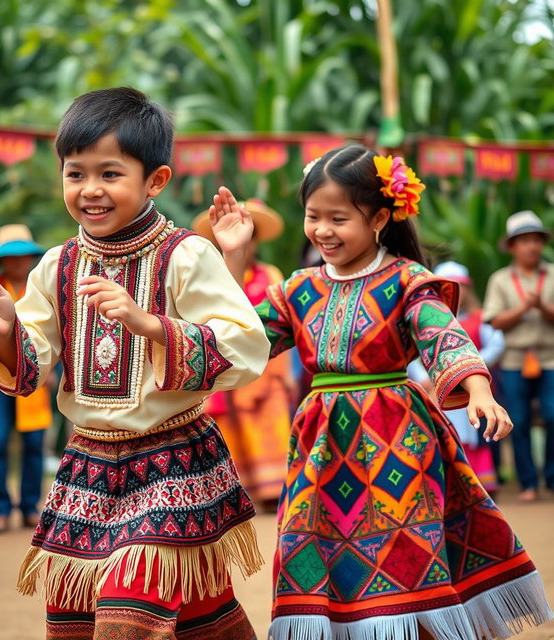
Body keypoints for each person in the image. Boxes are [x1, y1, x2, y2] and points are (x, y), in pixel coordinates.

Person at [209, 146, 553, 640]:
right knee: (311, 544)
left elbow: (442, 334)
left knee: (407, 548)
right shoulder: (297, 289)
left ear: (379, 218)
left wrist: (479, 390)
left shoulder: (407, 279)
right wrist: (234, 255)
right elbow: (243, 340)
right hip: (321, 446)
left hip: (398, 439)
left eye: (338, 218)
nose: (322, 230)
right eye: (313, 216)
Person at [0, 87, 269, 640]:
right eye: (75, 174)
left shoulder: (186, 254)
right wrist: (6, 331)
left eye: (109, 173)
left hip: (171, 461)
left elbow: (245, 344)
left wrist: (151, 325)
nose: (90, 190)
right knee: (86, 624)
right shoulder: (57, 265)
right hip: (86, 469)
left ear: (156, 181)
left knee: (128, 620)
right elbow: (29, 363)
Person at [193, 201, 294, 509]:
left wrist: (284, 373)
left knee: (265, 425)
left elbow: (282, 322)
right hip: (228, 362)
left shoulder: (270, 275)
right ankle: (234, 491)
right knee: (228, 428)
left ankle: (271, 491)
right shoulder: (209, 276)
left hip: (267, 366)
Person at [0, 224, 50, 533]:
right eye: (11, 256)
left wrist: (51, 370)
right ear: (1, 261)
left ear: (31, 258)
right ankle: (0, 509)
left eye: (23, 255)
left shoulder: (40, 289)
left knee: (34, 442)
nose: (17, 261)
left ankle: (29, 506)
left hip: (35, 377)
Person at [409, 261, 504, 496]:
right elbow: (409, 353)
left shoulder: (478, 319)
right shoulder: (420, 322)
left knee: (476, 432)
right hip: (436, 389)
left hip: (473, 388)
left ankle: (480, 481)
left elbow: (496, 344)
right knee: (444, 432)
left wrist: (469, 365)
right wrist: (423, 376)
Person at [483, 210, 554, 502]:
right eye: (524, 241)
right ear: (512, 246)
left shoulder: (552, 274)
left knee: (553, 416)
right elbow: (494, 320)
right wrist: (524, 309)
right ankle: (527, 483)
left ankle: (550, 477)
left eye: (536, 240)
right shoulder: (500, 280)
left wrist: (543, 307)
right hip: (513, 361)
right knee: (519, 420)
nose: (532, 246)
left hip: (550, 359)